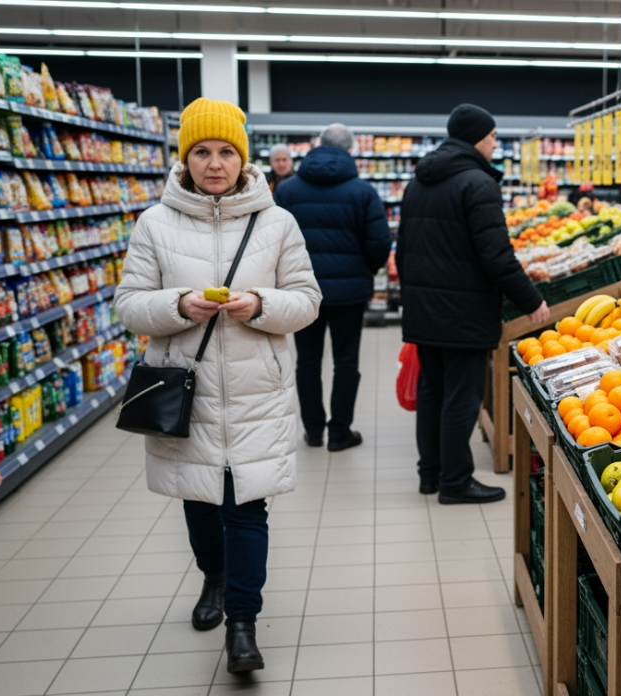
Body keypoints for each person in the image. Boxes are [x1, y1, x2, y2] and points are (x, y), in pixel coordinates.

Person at [115, 98, 321, 673]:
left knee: (247, 505)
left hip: (258, 391)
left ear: (242, 159)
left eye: (226, 151)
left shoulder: (277, 222)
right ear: (185, 160)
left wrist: (261, 305)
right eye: (201, 152)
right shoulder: (154, 224)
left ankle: (242, 624)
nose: (214, 163)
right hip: (187, 391)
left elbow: (307, 300)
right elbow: (129, 305)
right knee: (201, 501)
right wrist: (178, 305)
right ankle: (213, 576)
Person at [397, 103, 549, 505]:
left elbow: (404, 249)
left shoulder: (419, 182)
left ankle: (429, 475)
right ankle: (456, 481)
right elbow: (496, 255)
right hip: (462, 313)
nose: (496, 144)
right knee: (461, 397)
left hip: (425, 309)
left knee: (433, 391)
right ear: (476, 137)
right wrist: (531, 300)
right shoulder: (477, 184)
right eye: (494, 136)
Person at [275, 124, 392, 451]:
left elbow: (272, 240)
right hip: (349, 293)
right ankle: (339, 431)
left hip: (301, 291)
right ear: (350, 150)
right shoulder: (363, 191)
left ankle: (313, 430)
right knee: (346, 361)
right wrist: (364, 270)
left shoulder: (287, 190)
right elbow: (380, 243)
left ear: (318, 145)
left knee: (307, 362)